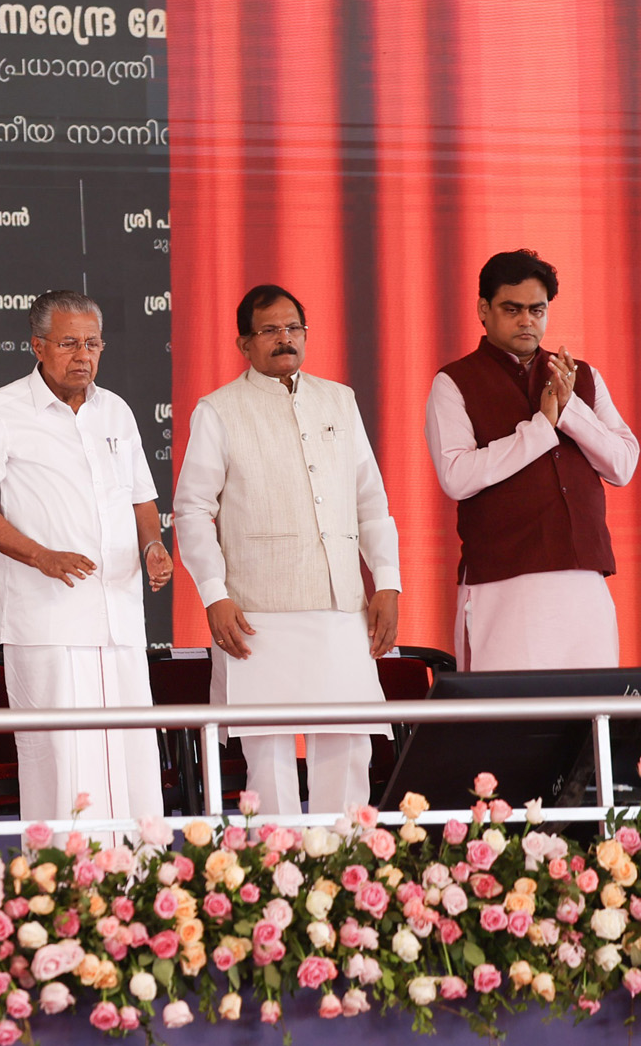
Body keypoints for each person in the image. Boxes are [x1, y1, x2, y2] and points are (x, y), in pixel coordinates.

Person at [172, 285, 401, 815]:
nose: (285, 339)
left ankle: (346, 858)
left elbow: (371, 501)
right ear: (243, 344)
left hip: (341, 605)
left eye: (294, 328)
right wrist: (214, 594)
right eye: (270, 330)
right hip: (256, 611)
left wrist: (387, 582)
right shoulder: (219, 410)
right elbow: (192, 510)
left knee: (348, 746)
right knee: (268, 753)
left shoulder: (339, 400)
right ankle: (275, 860)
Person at [0, 289, 170, 824]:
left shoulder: (115, 410)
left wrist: (153, 545)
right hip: (47, 620)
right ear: (38, 346)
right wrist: (41, 556)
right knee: (62, 758)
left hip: (119, 616)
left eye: (93, 344)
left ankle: (139, 868)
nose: (83, 355)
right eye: (69, 343)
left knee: (132, 759)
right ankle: (63, 872)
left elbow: (142, 498)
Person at [427, 250, 637, 669]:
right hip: (503, 585)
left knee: (589, 704)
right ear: (483, 310)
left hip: (584, 582)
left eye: (536, 310)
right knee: (508, 708)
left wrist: (570, 409)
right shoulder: (454, 382)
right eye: (513, 309)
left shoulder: (582, 377)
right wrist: (541, 428)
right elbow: (456, 476)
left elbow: (623, 464)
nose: (527, 321)